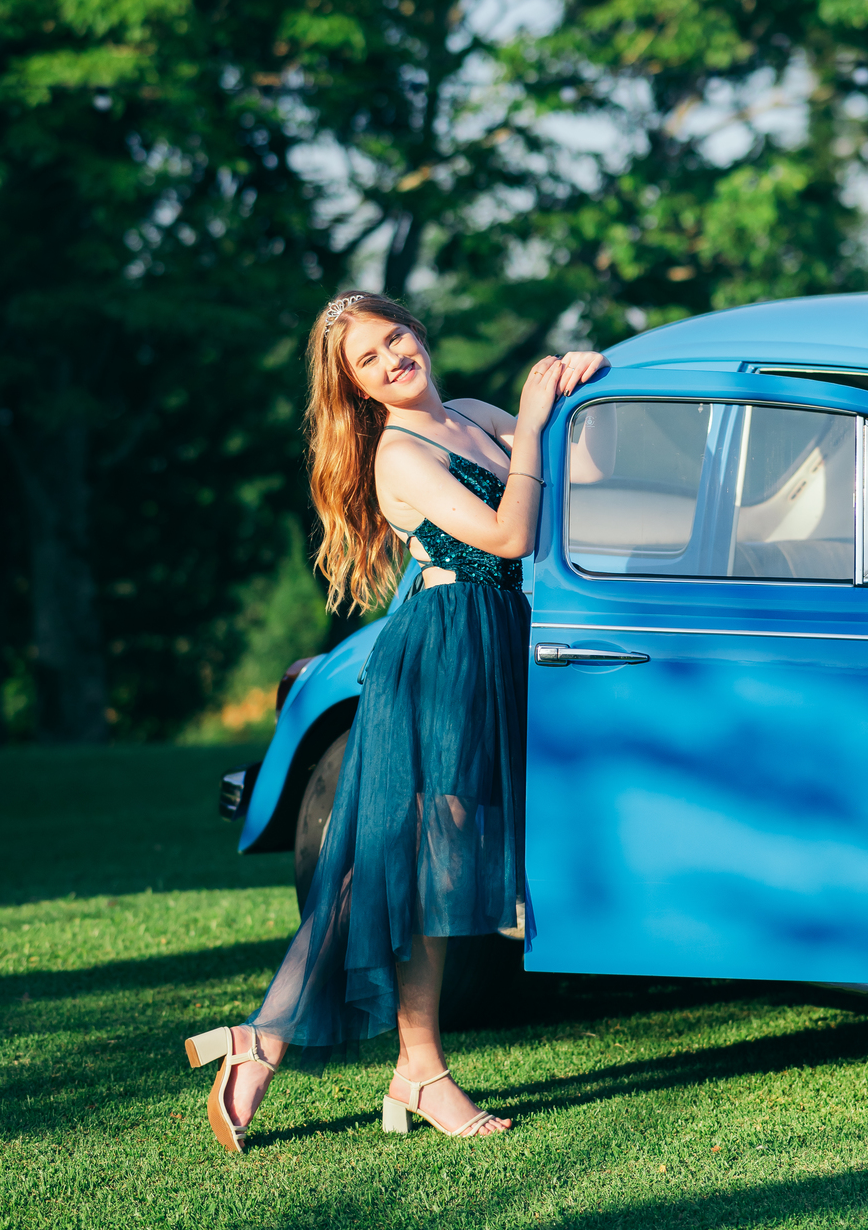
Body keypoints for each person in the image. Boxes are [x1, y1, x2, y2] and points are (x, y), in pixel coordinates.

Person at [183, 292, 606, 1149]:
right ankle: (373, 1058)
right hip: (442, 655)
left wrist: (582, 394)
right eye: (367, 361)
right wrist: (533, 418)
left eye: (394, 338)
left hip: (494, 646)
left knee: (403, 860)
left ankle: (309, 1047)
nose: (390, 361)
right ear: (356, 388)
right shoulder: (400, 456)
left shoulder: (476, 414)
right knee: (416, 858)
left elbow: (588, 485)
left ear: (417, 329)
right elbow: (509, 532)